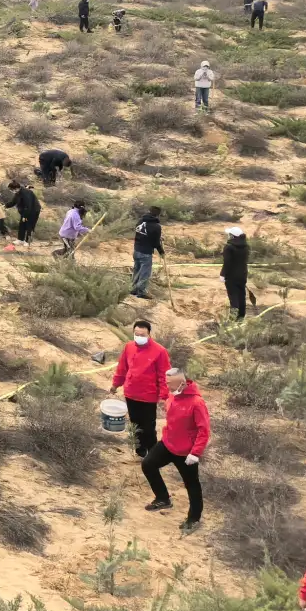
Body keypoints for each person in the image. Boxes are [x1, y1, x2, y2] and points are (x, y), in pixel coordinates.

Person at [141, 364, 208, 532]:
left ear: (182, 384)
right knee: (148, 464)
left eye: (169, 383)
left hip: (186, 452)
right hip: (168, 444)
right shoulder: (172, 395)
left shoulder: (197, 403)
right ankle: (163, 498)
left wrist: (195, 453)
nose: (167, 386)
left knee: (192, 485)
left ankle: (194, 518)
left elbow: (204, 430)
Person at [111, 319, 171, 457]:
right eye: (136, 334)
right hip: (131, 393)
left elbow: (164, 375)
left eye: (142, 335)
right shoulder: (129, 347)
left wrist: (163, 396)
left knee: (148, 428)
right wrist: (115, 384)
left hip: (148, 396)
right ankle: (140, 451)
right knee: (135, 425)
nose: (139, 337)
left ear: (149, 334)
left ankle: (153, 454)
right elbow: (122, 368)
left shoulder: (160, 351)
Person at [131, 205, 165, 297]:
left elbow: (142, 232)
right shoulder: (156, 226)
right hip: (145, 253)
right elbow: (155, 243)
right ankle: (141, 292)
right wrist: (161, 252)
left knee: (136, 270)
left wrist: (156, 237)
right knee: (144, 273)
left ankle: (133, 289)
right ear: (158, 215)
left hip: (136, 250)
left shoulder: (140, 221)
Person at [221, 226, 250, 320]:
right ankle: (241, 317)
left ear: (232, 236)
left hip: (232, 276)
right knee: (242, 295)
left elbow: (227, 263)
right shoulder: (246, 246)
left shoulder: (229, 247)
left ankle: (233, 318)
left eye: (230, 235)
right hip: (243, 274)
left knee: (233, 297)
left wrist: (222, 274)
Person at [11, 179, 40, 243]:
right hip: (25, 210)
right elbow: (13, 202)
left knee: (29, 225)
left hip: (33, 210)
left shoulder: (26, 193)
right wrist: (5, 206)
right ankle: (20, 239)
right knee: (22, 224)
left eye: (12, 190)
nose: (11, 191)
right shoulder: (18, 193)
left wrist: (25, 216)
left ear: (16, 188)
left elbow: (28, 206)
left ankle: (27, 241)